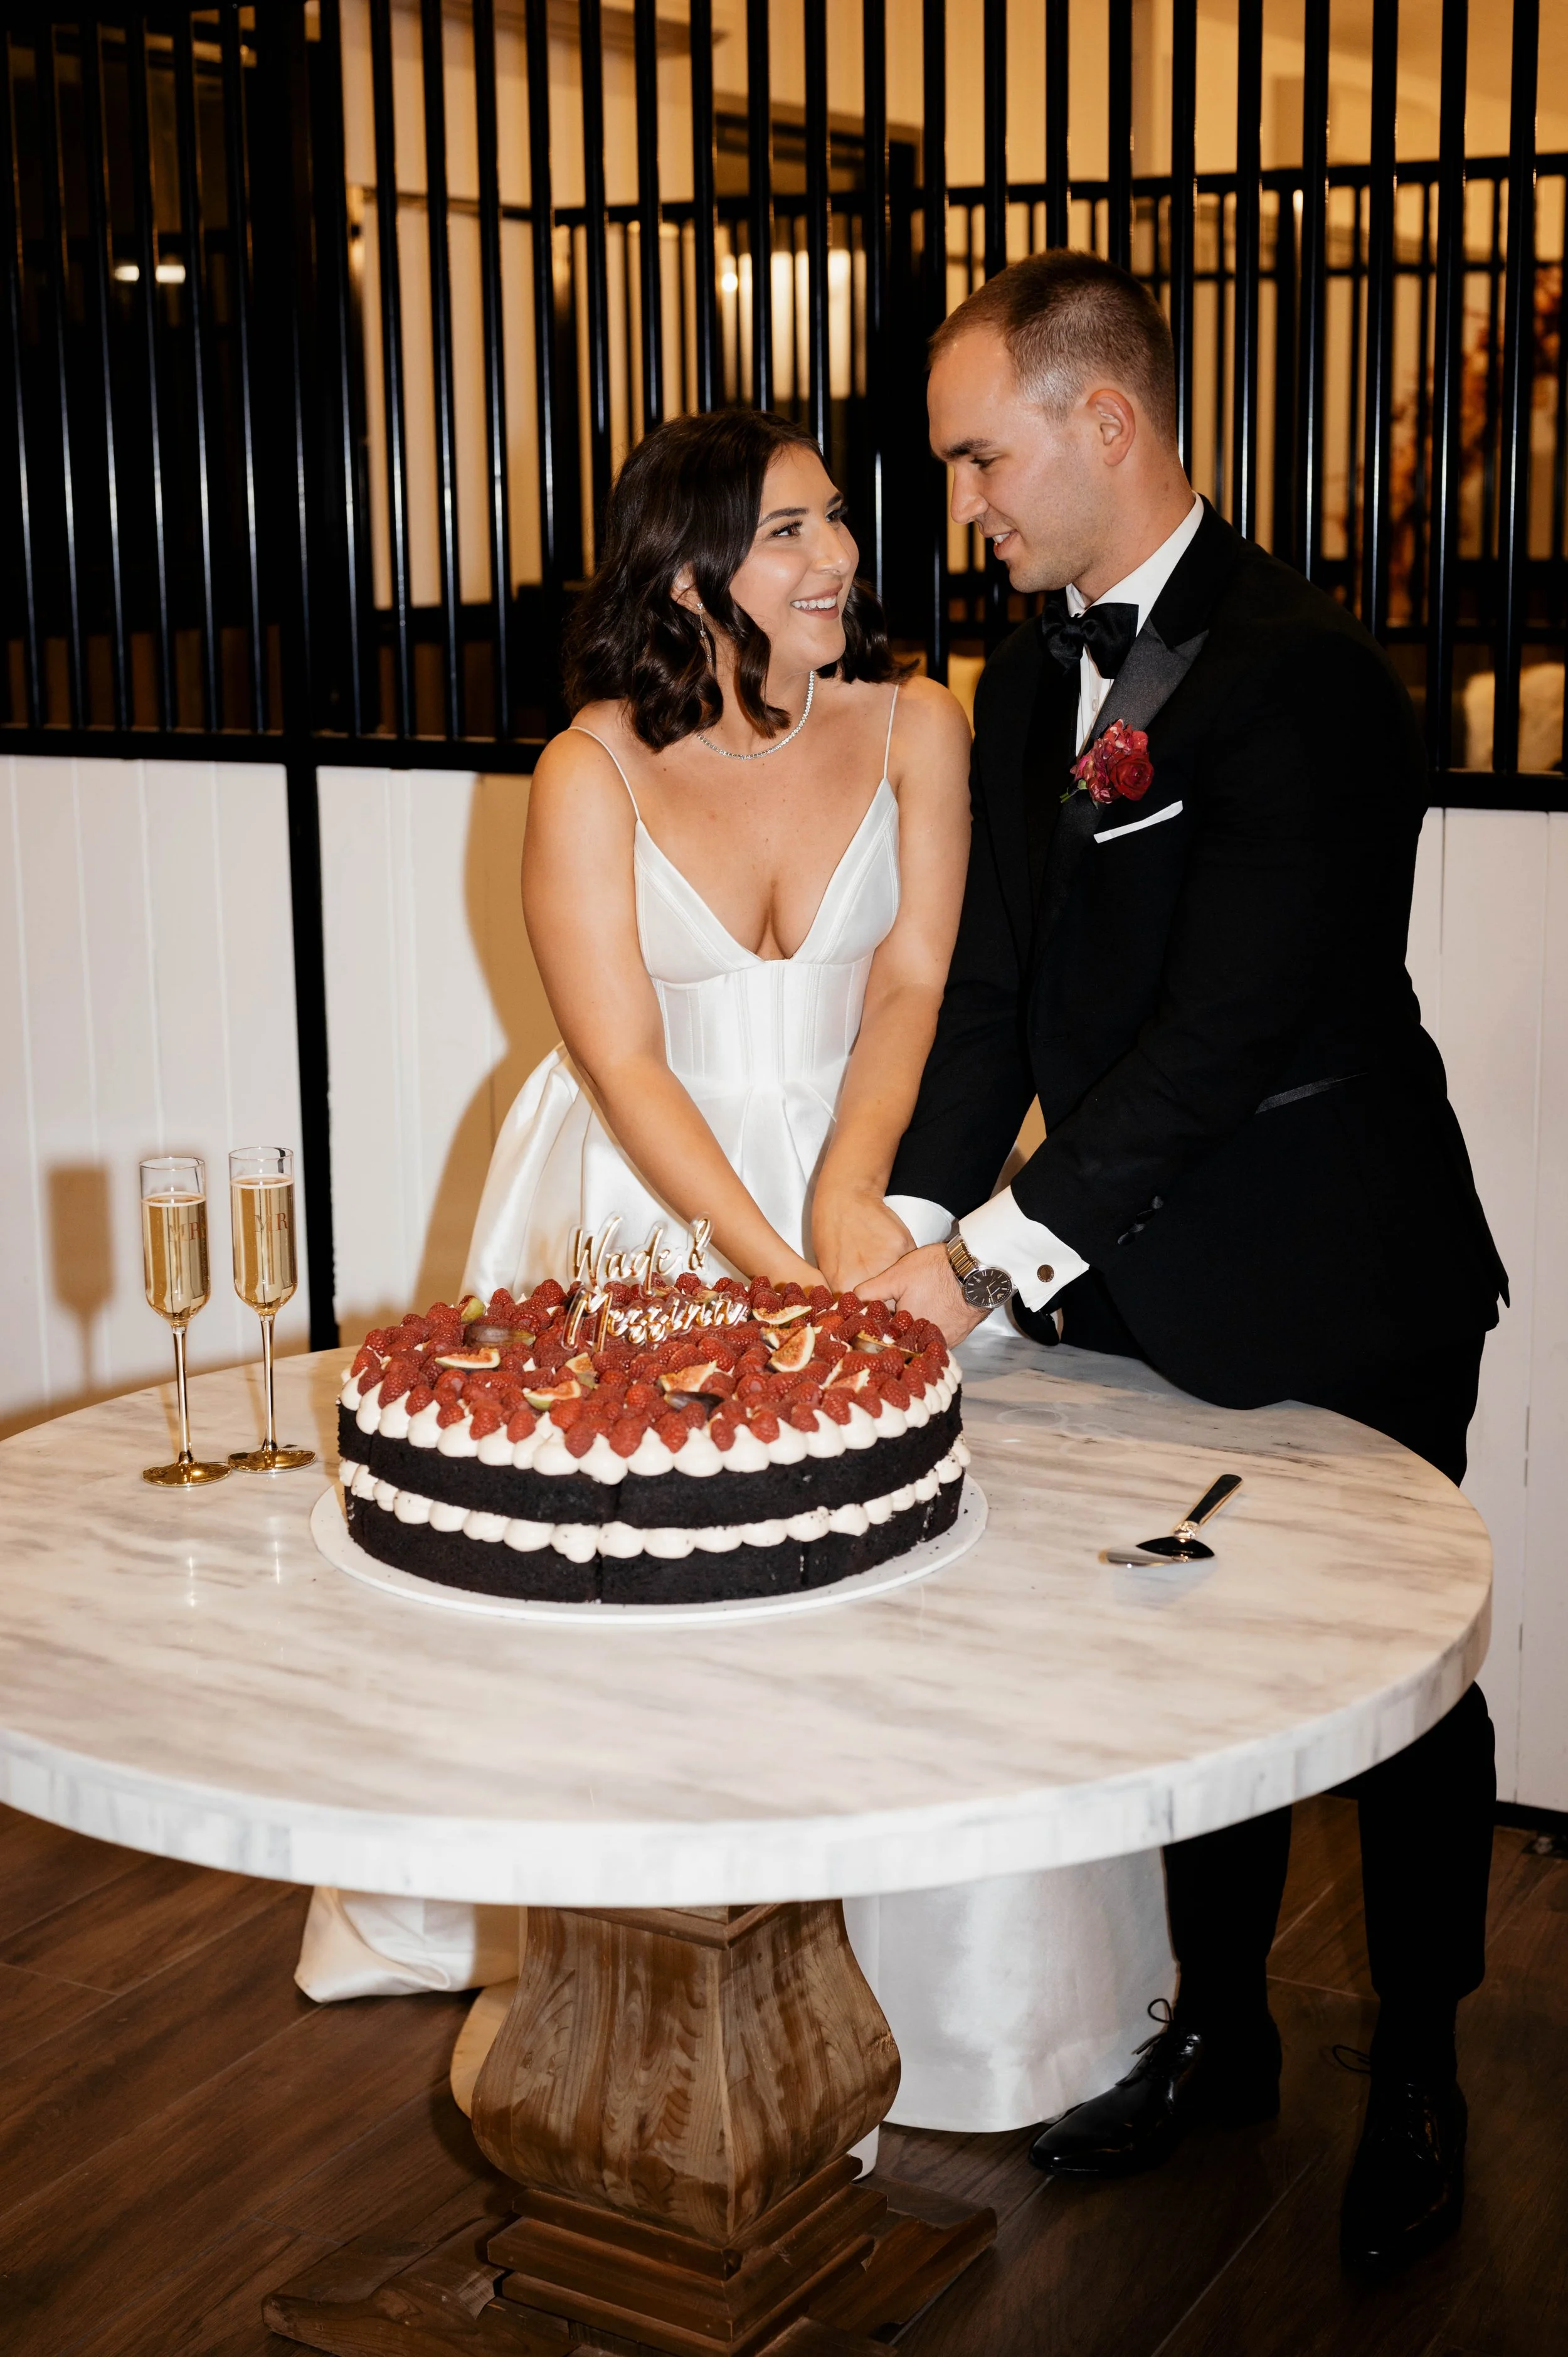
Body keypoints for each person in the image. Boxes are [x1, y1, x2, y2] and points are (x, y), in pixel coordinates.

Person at [297, 405, 1175, 2136]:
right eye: (789, 529)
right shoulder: (588, 766)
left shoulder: (917, 721)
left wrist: (852, 1212)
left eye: (838, 518)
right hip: (647, 1203)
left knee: (906, 1584)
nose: (840, 552)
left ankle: (959, 2011)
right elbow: (623, 1060)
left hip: (871, 1182)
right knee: (647, 1591)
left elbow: (921, 981)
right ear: (689, 567)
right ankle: (643, 1977)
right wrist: (768, 1267)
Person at [870, 249, 1507, 2274]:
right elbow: (987, 991)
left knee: (1397, 1702)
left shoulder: (1302, 672)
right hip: (1133, 1282)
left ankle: (1417, 2058)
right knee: (1180, 1670)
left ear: (1102, 420)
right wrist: (900, 1231)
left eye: (981, 455)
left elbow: (1227, 1030)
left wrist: (983, 1267)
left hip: (1338, 1270)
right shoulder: (1017, 675)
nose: (966, 502)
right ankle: (1216, 2027)